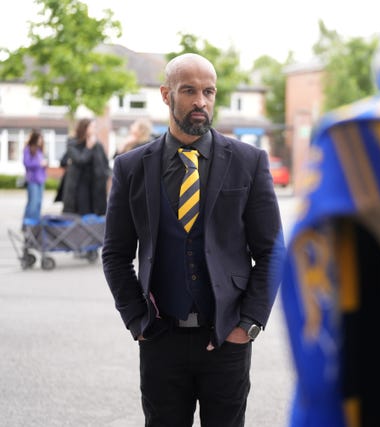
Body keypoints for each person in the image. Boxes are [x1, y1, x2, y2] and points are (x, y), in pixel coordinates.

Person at [102, 53, 286, 427]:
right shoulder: (132, 167)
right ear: (166, 95)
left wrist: (248, 324)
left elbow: (271, 250)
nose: (200, 101)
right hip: (160, 338)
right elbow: (115, 253)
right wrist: (137, 320)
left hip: (226, 338)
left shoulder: (249, 161)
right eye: (189, 91)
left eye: (209, 91)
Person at [60, 118, 110, 215]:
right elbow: (80, 160)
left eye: (95, 127)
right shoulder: (72, 143)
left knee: (94, 214)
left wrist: (106, 176)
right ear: (84, 128)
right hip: (79, 185)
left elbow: (104, 163)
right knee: (80, 212)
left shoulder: (98, 145)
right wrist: (88, 148)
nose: (94, 129)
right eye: (92, 127)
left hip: (95, 185)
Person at [22, 129, 48, 225]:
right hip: (32, 180)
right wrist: (39, 164)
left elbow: (42, 166)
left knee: (38, 204)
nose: (40, 141)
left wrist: (45, 165)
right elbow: (27, 163)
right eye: (39, 138)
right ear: (35, 139)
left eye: (41, 139)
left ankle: (35, 225)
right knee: (32, 204)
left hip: (41, 180)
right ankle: (28, 225)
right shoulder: (28, 150)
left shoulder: (40, 151)